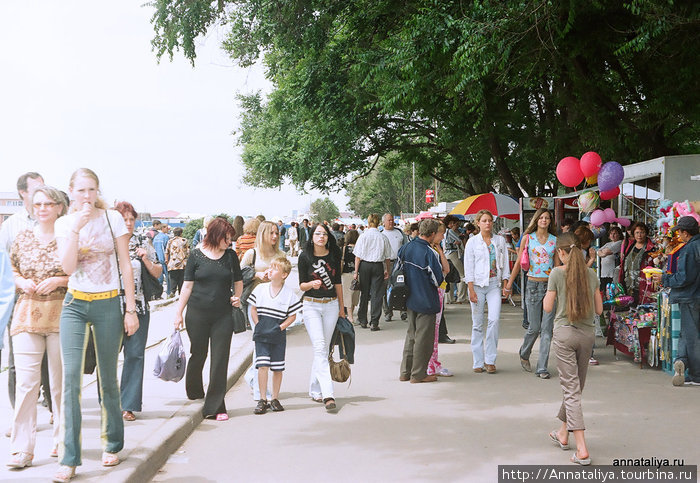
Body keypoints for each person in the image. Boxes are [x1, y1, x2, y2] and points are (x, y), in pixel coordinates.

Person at [54, 168, 139, 482]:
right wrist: (75, 228)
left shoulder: (112, 218)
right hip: (75, 304)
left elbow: (125, 264)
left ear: (97, 191)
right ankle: (69, 458)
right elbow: (67, 266)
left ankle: (113, 442)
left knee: (107, 377)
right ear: (71, 192)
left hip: (107, 302)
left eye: (91, 190)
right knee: (71, 379)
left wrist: (130, 309)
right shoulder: (65, 223)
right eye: (81, 191)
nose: (87, 196)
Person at [7, 185, 67, 469]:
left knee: (59, 385)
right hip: (27, 314)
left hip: (62, 315)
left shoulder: (69, 237)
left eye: (48, 204)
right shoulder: (22, 238)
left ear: (59, 207)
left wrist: (59, 280)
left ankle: (63, 441)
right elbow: (12, 270)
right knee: (27, 385)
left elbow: (81, 273)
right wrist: (20, 282)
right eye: (38, 203)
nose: (42, 208)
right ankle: (22, 448)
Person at [173, 217, 243, 421]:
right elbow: (187, 286)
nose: (229, 243)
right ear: (215, 235)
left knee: (220, 359)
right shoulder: (195, 255)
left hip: (223, 315)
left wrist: (237, 297)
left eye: (230, 239)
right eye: (226, 238)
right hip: (197, 314)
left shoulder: (230, 256)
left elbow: (238, 281)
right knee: (199, 353)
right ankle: (195, 389)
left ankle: (216, 406)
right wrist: (178, 313)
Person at [544, 233, 603, 466]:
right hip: (587, 336)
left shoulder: (557, 273)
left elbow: (548, 307)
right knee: (575, 388)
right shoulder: (592, 274)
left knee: (571, 390)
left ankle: (582, 448)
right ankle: (562, 432)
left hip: (565, 334)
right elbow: (599, 310)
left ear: (561, 252)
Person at [0, 172, 44, 414]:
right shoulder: (11, 226)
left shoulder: (53, 220)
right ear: (23, 193)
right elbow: (2, 265)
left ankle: (50, 408)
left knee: (48, 360)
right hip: (19, 300)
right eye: (36, 189)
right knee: (17, 359)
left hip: (50, 300)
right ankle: (21, 413)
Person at [114, 202, 162, 422]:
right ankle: (108, 403)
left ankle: (129, 405)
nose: (129, 223)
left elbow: (159, 271)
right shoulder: (106, 243)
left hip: (138, 307)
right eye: (124, 219)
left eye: (131, 219)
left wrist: (145, 258)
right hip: (110, 307)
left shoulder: (143, 241)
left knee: (134, 355)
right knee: (107, 359)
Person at [505, 208, 559, 379]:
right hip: (533, 285)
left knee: (547, 330)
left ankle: (542, 367)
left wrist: (562, 287)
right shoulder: (528, 238)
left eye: (547, 218)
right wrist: (509, 284)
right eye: (541, 217)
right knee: (534, 328)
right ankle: (524, 352)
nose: (544, 220)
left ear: (550, 221)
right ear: (536, 220)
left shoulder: (554, 240)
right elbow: (518, 263)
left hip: (550, 286)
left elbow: (557, 267)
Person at [298, 223, 344, 411]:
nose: (321, 237)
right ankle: (328, 394)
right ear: (312, 236)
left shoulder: (334, 255)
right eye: (317, 234)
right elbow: (301, 285)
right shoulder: (304, 257)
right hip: (311, 306)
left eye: (324, 234)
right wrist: (311, 284)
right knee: (319, 346)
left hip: (331, 305)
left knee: (324, 350)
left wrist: (342, 308)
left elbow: (338, 282)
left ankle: (315, 388)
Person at [248, 256, 302, 414]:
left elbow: (293, 315)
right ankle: (262, 398)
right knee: (262, 365)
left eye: (274, 268)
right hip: (262, 333)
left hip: (277, 335)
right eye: (269, 267)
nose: (269, 270)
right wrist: (258, 323)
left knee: (277, 368)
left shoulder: (289, 294)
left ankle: (275, 398)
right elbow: (253, 308)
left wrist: (281, 327)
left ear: (284, 274)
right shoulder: (260, 289)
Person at [652, 216, 700, 386]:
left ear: (686, 233)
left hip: (690, 296)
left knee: (691, 335)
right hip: (695, 296)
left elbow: (684, 277)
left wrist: (664, 279)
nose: (679, 235)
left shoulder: (689, 249)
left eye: (680, 232)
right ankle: (682, 362)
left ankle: (695, 374)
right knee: (688, 333)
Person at [240, 221, 285, 401]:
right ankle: (260, 389)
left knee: (268, 343)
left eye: (276, 233)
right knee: (261, 341)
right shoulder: (252, 253)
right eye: (271, 233)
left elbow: (284, 278)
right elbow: (238, 274)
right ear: (262, 234)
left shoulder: (281, 254)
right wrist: (256, 275)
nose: (274, 236)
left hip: (275, 306)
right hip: (256, 304)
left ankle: (253, 377)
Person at [399, 219, 445, 384]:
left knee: (411, 335)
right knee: (423, 339)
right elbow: (437, 279)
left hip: (408, 297)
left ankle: (405, 371)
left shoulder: (406, 247)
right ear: (432, 234)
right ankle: (418, 374)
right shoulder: (429, 252)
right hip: (426, 298)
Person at [464, 210, 510, 374]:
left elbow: (504, 264)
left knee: (494, 320)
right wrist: (470, 289)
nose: (487, 223)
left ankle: (490, 359)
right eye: (484, 220)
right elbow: (468, 266)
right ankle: (478, 361)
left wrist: (506, 283)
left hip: (493, 285)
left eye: (490, 220)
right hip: (477, 285)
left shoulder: (499, 241)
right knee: (477, 324)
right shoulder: (472, 242)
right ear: (478, 223)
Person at [353, 214, 391, 330]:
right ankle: (374, 322)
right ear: (379, 222)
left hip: (364, 265)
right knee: (377, 294)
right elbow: (388, 257)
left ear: (368, 223)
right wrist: (387, 270)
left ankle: (363, 319)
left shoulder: (363, 236)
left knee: (364, 293)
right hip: (378, 266)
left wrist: (356, 272)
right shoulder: (383, 237)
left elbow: (358, 257)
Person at [426, 221, 452, 377]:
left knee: (435, 330)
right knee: (432, 330)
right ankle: (430, 364)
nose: (443, 236)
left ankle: (433, 362)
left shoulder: (435, 249)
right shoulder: (431, 251)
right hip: (434, 291)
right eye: (441, 233)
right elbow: (446, 269)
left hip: (438, 290)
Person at [618, 222, 656, 305]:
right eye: (637, 233)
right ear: (633, 234)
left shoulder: (651, 248)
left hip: (644, 287)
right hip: (629, 286)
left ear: (646, 233)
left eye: (642, 232)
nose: (639, 235)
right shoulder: (629, 246)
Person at [381, 213, 408, 321]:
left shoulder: (400, 233)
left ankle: (403, 310)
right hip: (386, 263)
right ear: (384, 222)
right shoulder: (381, 234)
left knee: (402, 286)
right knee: (386, 288)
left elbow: (405, 246)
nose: (391, 222)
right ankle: (388, 312)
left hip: (400, 263)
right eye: (389, 220)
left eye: (392, 220)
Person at [443, 215, 467, 304]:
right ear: (449, 224)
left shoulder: (444, 231)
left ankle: (449, 298)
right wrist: (461, 237)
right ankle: (461, 297)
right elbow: (459, 240)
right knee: (462, 275)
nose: (456, 225)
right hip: (453, 254)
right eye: (454, 223)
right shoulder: (450, 231)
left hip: (446, 254)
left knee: (450, 276)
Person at [341, 229, 360, 323]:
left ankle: (350, 316)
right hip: (357, 273)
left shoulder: (344, 248)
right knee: (355, 295)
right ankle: (351, 314)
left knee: (347, 295)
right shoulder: (359, 248)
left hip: (346, 273)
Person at [165, 227, 188, 297]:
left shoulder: (170, 241)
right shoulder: (185, 240)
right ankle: (181, 293)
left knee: (173, 278)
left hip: (173, 263)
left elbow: (166, 252)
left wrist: (166, 260)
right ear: (181, 233)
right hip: (182, 263)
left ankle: (172, 292)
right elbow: (188, 252)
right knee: (181, 278)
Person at [153, 224, 171, 298]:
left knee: (159, 279)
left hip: (158, 260)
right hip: (165, 260)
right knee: (168, 278)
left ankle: (158, 294)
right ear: (163, 228)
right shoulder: (166, 237)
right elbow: (168, 249)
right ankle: (169, 293)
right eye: (167, 228)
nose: (168, 229)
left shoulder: (156, 237)